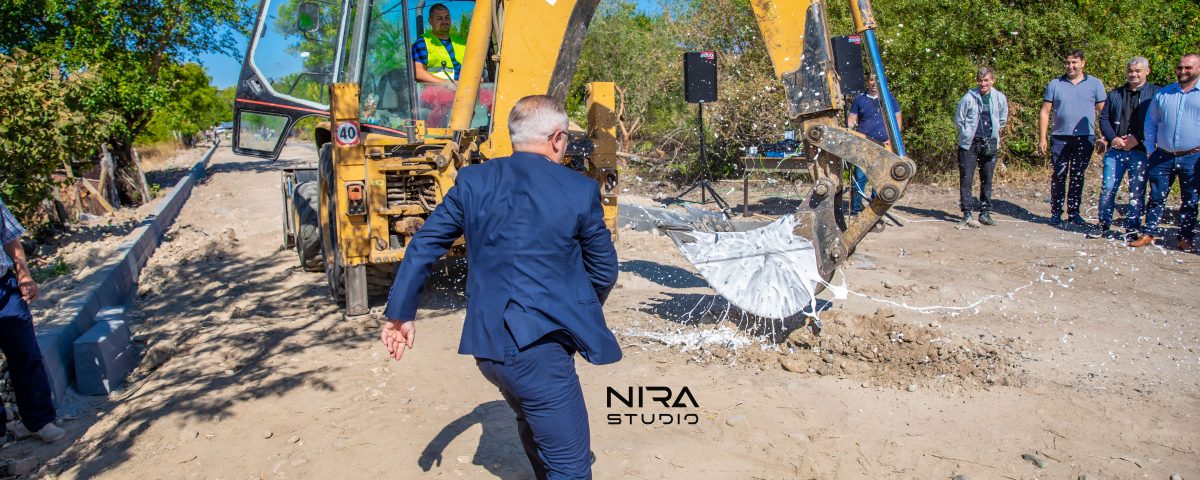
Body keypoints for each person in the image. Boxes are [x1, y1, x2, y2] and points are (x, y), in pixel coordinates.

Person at [381, 95, 619, 479]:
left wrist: (400, 314)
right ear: (557, 139)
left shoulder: (473, 181)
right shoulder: (579, 190)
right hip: (539, 354)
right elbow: (604, 270)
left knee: (535, 427)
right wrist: (576, 313)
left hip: (488, 349)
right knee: (572, 469)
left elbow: (424, 246)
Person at [0, 197, 64, 445]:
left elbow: (10, 239)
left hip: (5, 288)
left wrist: (24, 275)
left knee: (26, 353)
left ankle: (39, 421)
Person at [1129, 53, 1200, 251]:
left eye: (1188, 67)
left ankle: (1185, 238)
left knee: (1190, 200)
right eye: (1180, 67)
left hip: (1193, 156)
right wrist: (1151, 149)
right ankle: (1148, 233)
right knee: (1156, 197)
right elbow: (1151, 122)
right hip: (1162, 155)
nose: (1183, 71)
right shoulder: (1164, 93)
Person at [1038, 49, 1107, 226]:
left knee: (1077, 175)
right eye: (1067, 62)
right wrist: (1042, 138)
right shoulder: (1055, 84)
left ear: (1082, 63)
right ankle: (1056, 212)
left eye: (1074, 62)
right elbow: (1045, 112)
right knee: (1059, 175)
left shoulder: (1095, 84)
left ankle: (1074, 213)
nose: (1070, 66)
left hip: (1085, 137)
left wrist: (1104, 136)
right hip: (1060, 137)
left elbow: (1103, 112)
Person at [1095, 57, 1159, 239]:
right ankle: (1103, 224)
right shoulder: (1115, 94)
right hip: (1115, 151)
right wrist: (1113, 138)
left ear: (1147, 71)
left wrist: (1138, 139)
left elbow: (1156, 121)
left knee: (1136, 192)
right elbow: (1104, 118)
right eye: (1130, 71)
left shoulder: (1156, 94)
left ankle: (1132, 228)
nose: (1133, 74)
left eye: (1138, 71)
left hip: (1140, 151)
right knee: (1108, 189)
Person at [954, 67, 1009, 227]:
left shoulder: (999, 97)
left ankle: (985, 213)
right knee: (966, 178)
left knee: (987, 178)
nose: (983, 83)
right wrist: (967, 132)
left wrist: (994, 133)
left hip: (989, 142)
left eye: (986, 80)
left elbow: (1003, 119)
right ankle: (967, 213)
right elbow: (959, 120)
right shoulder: (968, 97)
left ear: (992, 81)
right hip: (969, 143)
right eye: (980, 80)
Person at [847, 73, 902, 215]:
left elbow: (897, 119)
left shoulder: (889, 99)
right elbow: (852, 119)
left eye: (876, 80)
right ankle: (855, 208)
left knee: (879, 177)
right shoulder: (859, 99)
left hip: (884, 145)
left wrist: (893, 139)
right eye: (871, 80)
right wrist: (850, 129)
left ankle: (875, 209)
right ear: (868, 81)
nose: (873, 83)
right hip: (863, 144)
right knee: (860, 176)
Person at [411, 3, 466, 84]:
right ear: (430, 21)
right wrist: (448, 84)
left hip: (467, 87)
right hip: (436, 89)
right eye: (439, 18)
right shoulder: (422, 42)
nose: (444, 21)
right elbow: (418, 73)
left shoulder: (461, 42)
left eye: (447, 17)